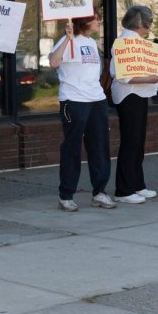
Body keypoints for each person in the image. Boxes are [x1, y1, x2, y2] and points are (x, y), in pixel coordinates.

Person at [50, 13, 115, 212]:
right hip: (74, 100)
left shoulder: (92, 43)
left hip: (96, 100)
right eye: (96, 19)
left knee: (100, 146)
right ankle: (66, 195)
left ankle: (99, 192)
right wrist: (67, 40)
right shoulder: (67, 40)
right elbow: (53, 63)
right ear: (85, 22)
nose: (99, 22)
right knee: (72, 148)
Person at [110, 5, 158, 204]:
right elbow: (123, 75)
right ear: (141, 22)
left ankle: (137, 184)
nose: (150, 24)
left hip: (139, 95)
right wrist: (149, 78)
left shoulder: (138, 42)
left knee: (137, 142)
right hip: (129, 95)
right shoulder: (123, 42)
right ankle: (123, 190)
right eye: (149, 20)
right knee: (131, 141)